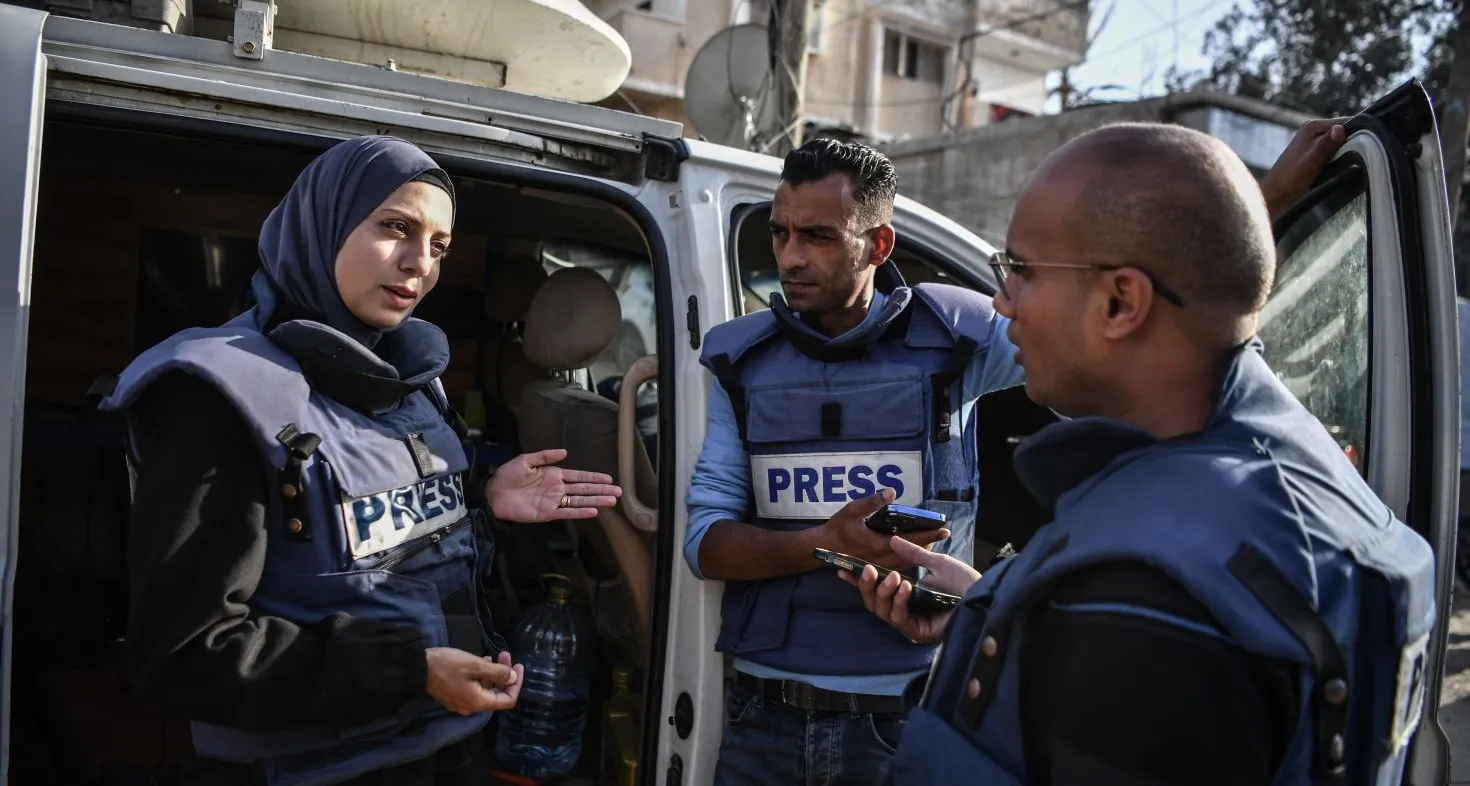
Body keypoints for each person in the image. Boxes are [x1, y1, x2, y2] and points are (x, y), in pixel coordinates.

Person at [843, 119, 1437, 785]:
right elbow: (1203, 291)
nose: (1003, 303)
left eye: (1021, 271)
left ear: (1122, 302)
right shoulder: (1281, 462)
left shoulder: (1141, 600)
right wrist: (989, 606)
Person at [98, 136, 622, 786]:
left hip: (447, 748)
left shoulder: (409, 378)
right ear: (327, 221)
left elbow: (379, 536)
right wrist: (412, 671)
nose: (418, 265)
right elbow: (182, 656)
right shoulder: (219, 396)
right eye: (395, 227)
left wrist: (480, 497)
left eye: (438, 246)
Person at [684, 137, 1023, 785]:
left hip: (907, 715)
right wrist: (826, 543)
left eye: (818, 236)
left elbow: (1095, 356)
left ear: (880, 244)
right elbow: (705, 544)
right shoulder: (740, 363)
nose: (790, 257)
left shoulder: (960, 337)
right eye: (780, 234)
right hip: (765, 717)